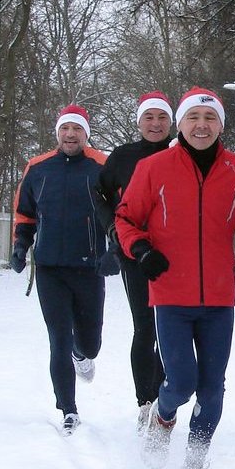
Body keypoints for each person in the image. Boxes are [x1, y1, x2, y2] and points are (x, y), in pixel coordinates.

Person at [115, 86, 235, 469]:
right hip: (170, 294)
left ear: (220, 125)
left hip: (219, 298)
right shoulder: (155, 167)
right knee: (182, 381)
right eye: (193, 118)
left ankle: (193, 465)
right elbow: (126, 218)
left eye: (210, 119)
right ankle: (164, 415)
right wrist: (142, 250)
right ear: (181, 124)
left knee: (212, 387)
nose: (201, 126)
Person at [11, 104, 108, 435]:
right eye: (65, 128)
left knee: (89, 343)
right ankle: (68, 409)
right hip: (50, 268)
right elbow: (25, 214)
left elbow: (121, 213)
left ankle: (84, 355)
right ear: (57, 132)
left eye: (77, 129)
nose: (70, 134)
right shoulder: (38, 169)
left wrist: (116, 251)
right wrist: (20, 247)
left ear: (86, 134)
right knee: (59, 341)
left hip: (89, 267)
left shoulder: (102, 167)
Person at [93, 91, 174, 429]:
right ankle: (146, 402)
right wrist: (112, 227)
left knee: (170, 329)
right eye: (149, 118)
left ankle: (165, 397)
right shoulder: (124, 157)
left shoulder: (182, 153)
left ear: (172, 122)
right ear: (139, 121)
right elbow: (98, 193)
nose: (155, 124)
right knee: (145, 327)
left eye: (162, 118)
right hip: (135, 252)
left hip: (176, 254)